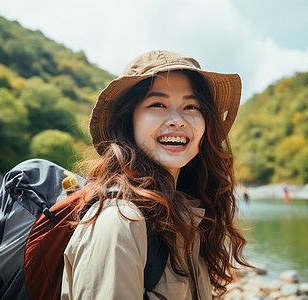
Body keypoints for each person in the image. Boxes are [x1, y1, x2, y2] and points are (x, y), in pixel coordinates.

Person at [61, 50, 251, 299]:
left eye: (191, 106)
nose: (177, 120)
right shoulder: (121, 223)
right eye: (158, 104)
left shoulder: (188, 216)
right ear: (129, 121)